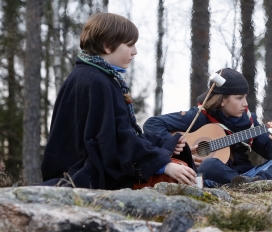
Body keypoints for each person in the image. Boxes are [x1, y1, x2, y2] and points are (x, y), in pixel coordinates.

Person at [41, 13, 196, 190]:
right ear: (107, 46)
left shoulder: (89, 75)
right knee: (181, 174)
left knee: (177, 164)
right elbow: (113, 140)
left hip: (87, 167)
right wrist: (163, 165)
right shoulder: (96, 81)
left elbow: (118, 135)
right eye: (130, 44)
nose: (135, 51)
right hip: (91, 174)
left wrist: (164, 145)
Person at [144, 69, 272, 186]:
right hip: (211, 176)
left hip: (246, 175)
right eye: (239, 98)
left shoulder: (249, 121)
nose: (245, 104)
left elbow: (271, 153)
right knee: (209, 164)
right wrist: (178, 147)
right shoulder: (198, 116)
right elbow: (152, 124)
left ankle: (255, 184)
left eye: (245, 97)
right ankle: (244, 184)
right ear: (222, 101)